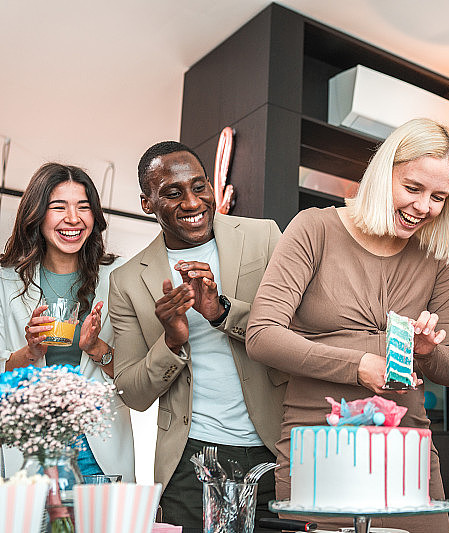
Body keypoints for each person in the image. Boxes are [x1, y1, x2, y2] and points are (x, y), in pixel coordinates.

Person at [246, 118, 449, 533]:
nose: (424, 207)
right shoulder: (315, 228)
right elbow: (262, 336)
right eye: (413, 188)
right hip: (319, 444)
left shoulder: (435, 257)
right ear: (384, 174)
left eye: (438, 197)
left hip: (406, 448)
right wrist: (358, 366)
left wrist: (428, 352)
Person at [109, 141, 286, 527]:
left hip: (276, 450)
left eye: (199, 187)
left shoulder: (264, 237)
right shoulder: (127, 281)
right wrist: (172, 341)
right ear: (147, 203)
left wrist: (222, 313)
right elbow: (131, 392)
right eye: (173, 193)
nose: (192, 203)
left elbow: (297, 332)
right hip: (190, 462)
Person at [0, 163, 134, 481]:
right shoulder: (5, 280)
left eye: (83, 207)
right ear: (36, 213)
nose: (73, 218)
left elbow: (137, 376)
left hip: (97, 443)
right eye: (58, 207)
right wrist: (29, 353)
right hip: (30, 442)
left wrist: (98, 349)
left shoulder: (119, 276)